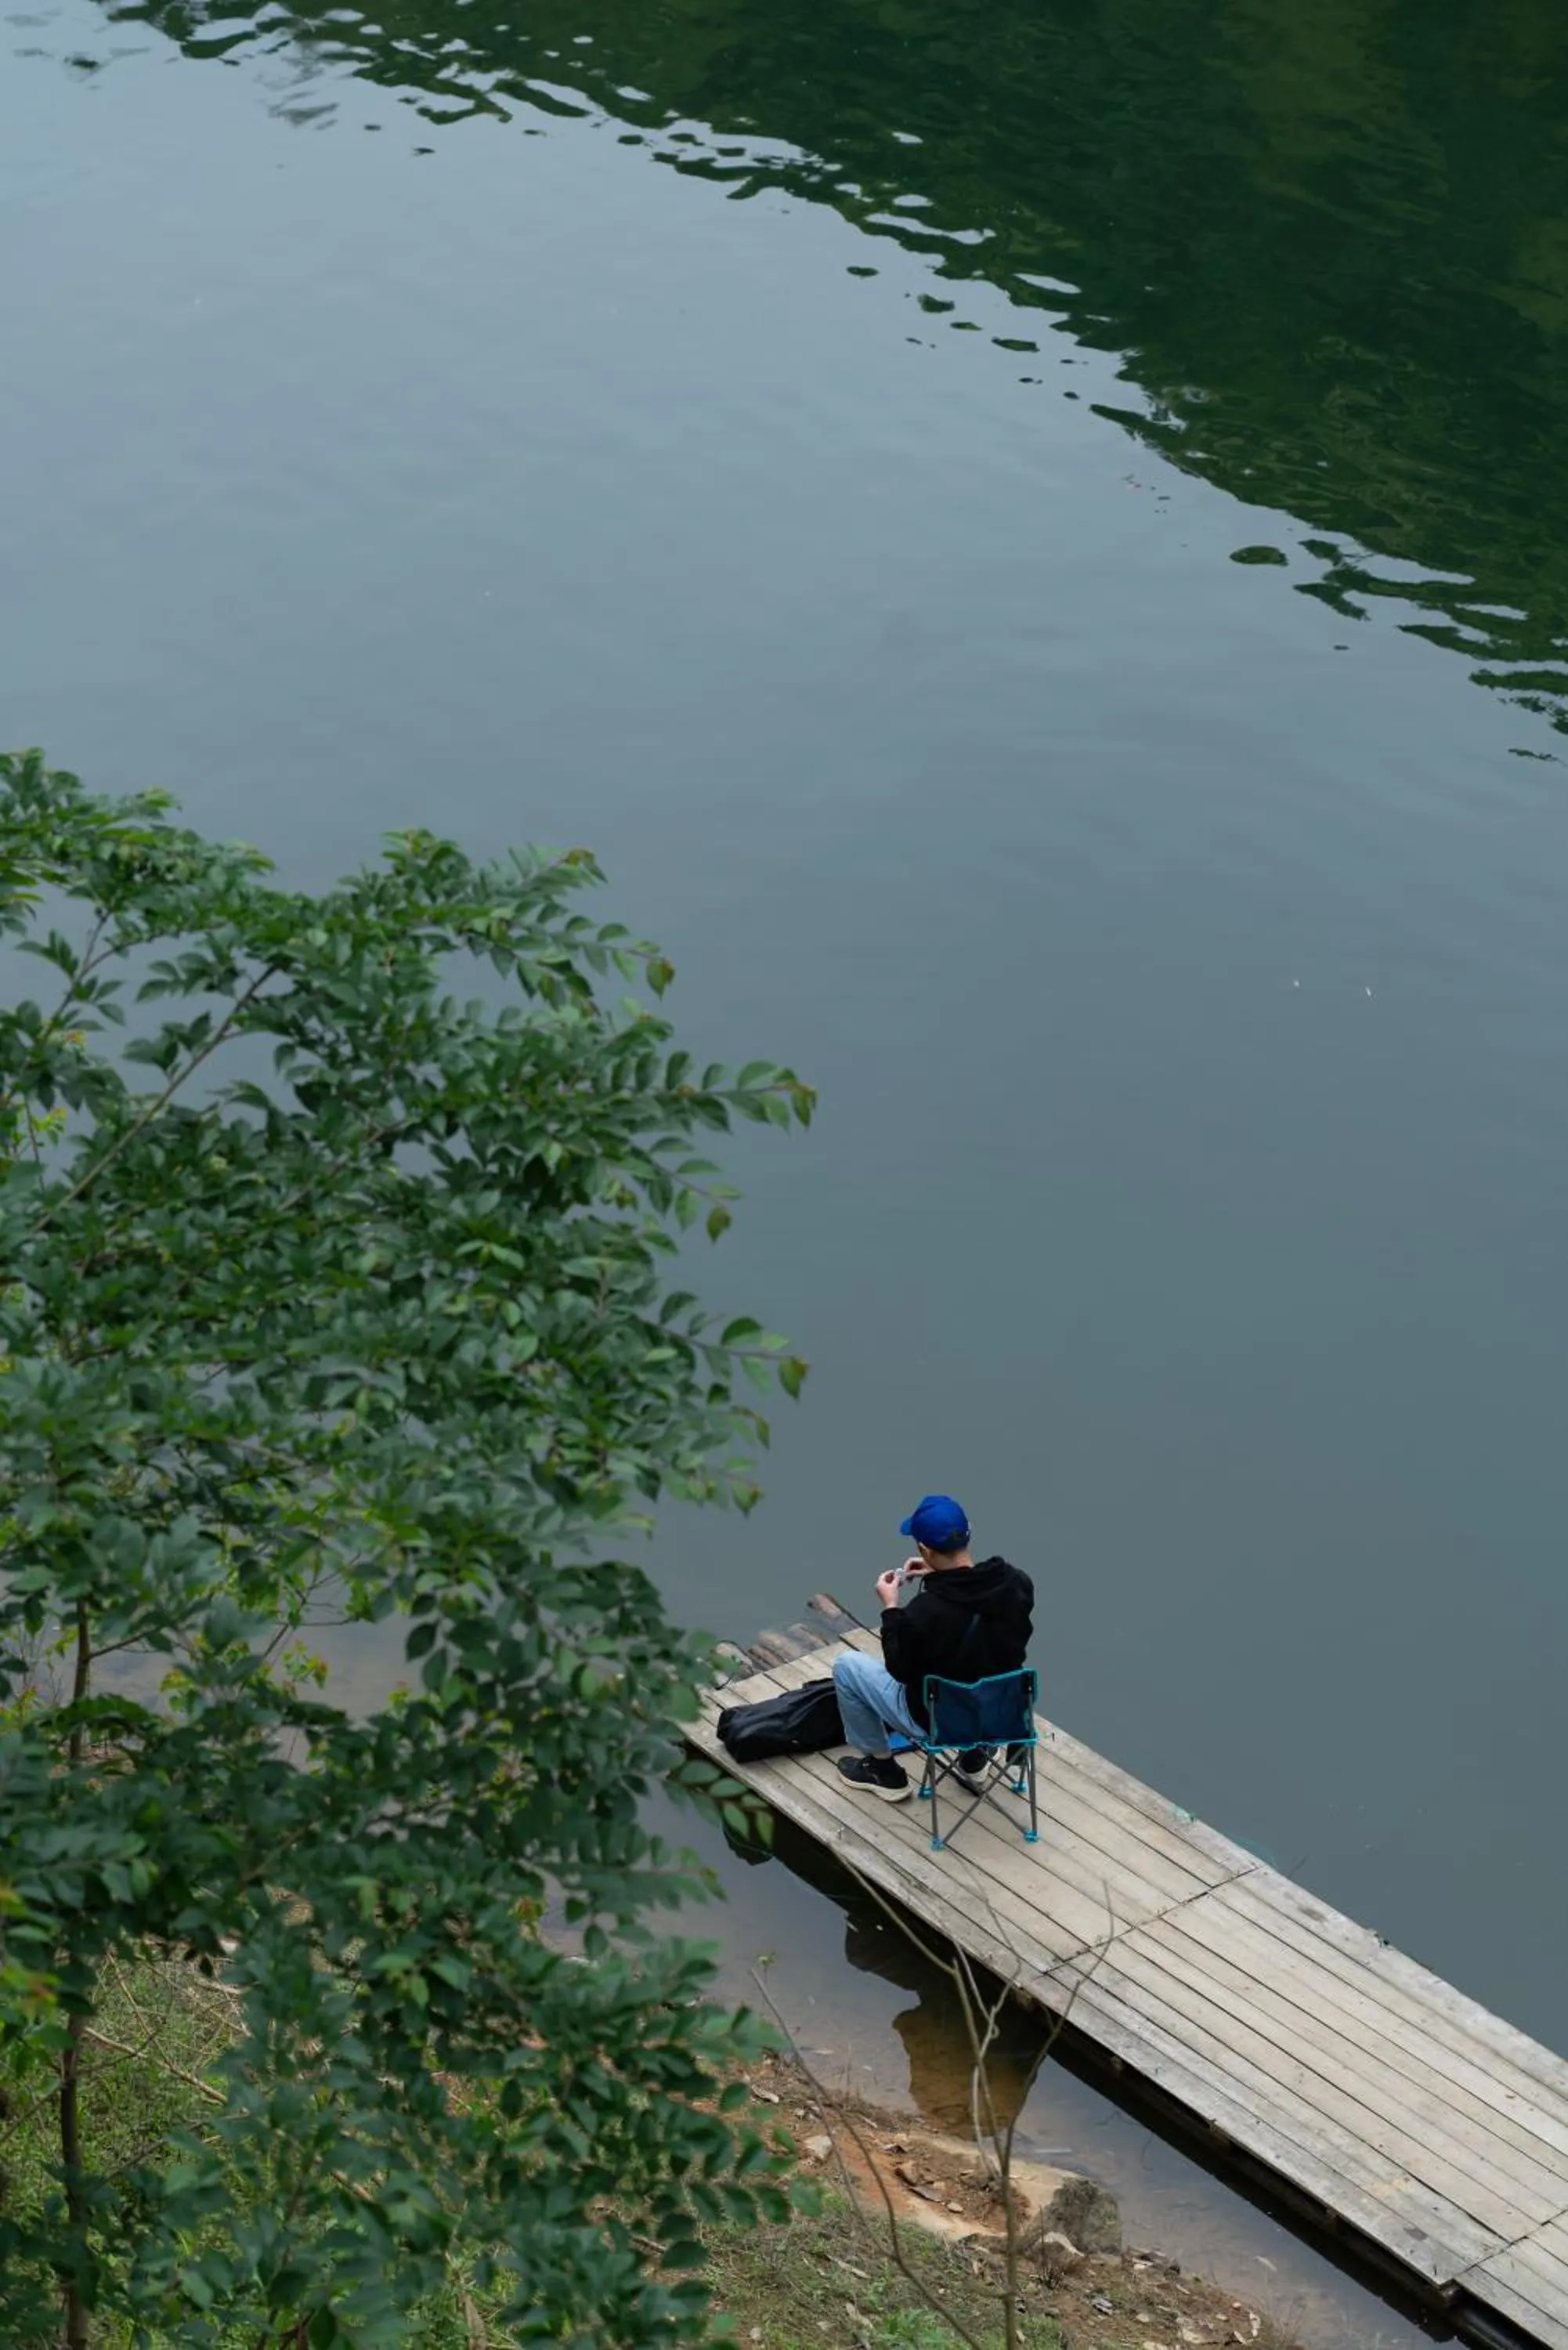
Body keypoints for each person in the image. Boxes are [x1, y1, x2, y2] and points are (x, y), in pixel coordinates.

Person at [833, 1494, 1034, 1803]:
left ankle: (883, 1771)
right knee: (979, 1667)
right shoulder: (1017, 1584)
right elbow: (980, 1613)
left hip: (937, 1721)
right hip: (998, 1714)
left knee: (847, 1666)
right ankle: (973, 1759)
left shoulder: (925, 1612)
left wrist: (890, 1608)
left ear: (924, 1549)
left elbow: (899, 1670)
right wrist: (939, 1576)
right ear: (970, 1533)